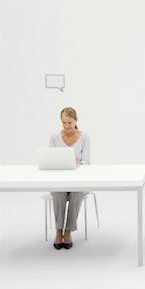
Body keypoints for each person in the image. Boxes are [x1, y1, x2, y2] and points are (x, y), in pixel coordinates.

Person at [50, 107, 91, 250]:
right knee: (58, 192)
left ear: (76, 120)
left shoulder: (85, 137)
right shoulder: (54, 137)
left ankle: (68, 231)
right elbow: (50, 160)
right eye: (64, 123)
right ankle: (58, 230)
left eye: (70, 123)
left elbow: (87, 162)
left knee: (77, 193)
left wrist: (74, 162)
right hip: (59, 179)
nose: (67, 126)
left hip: (78, 180)